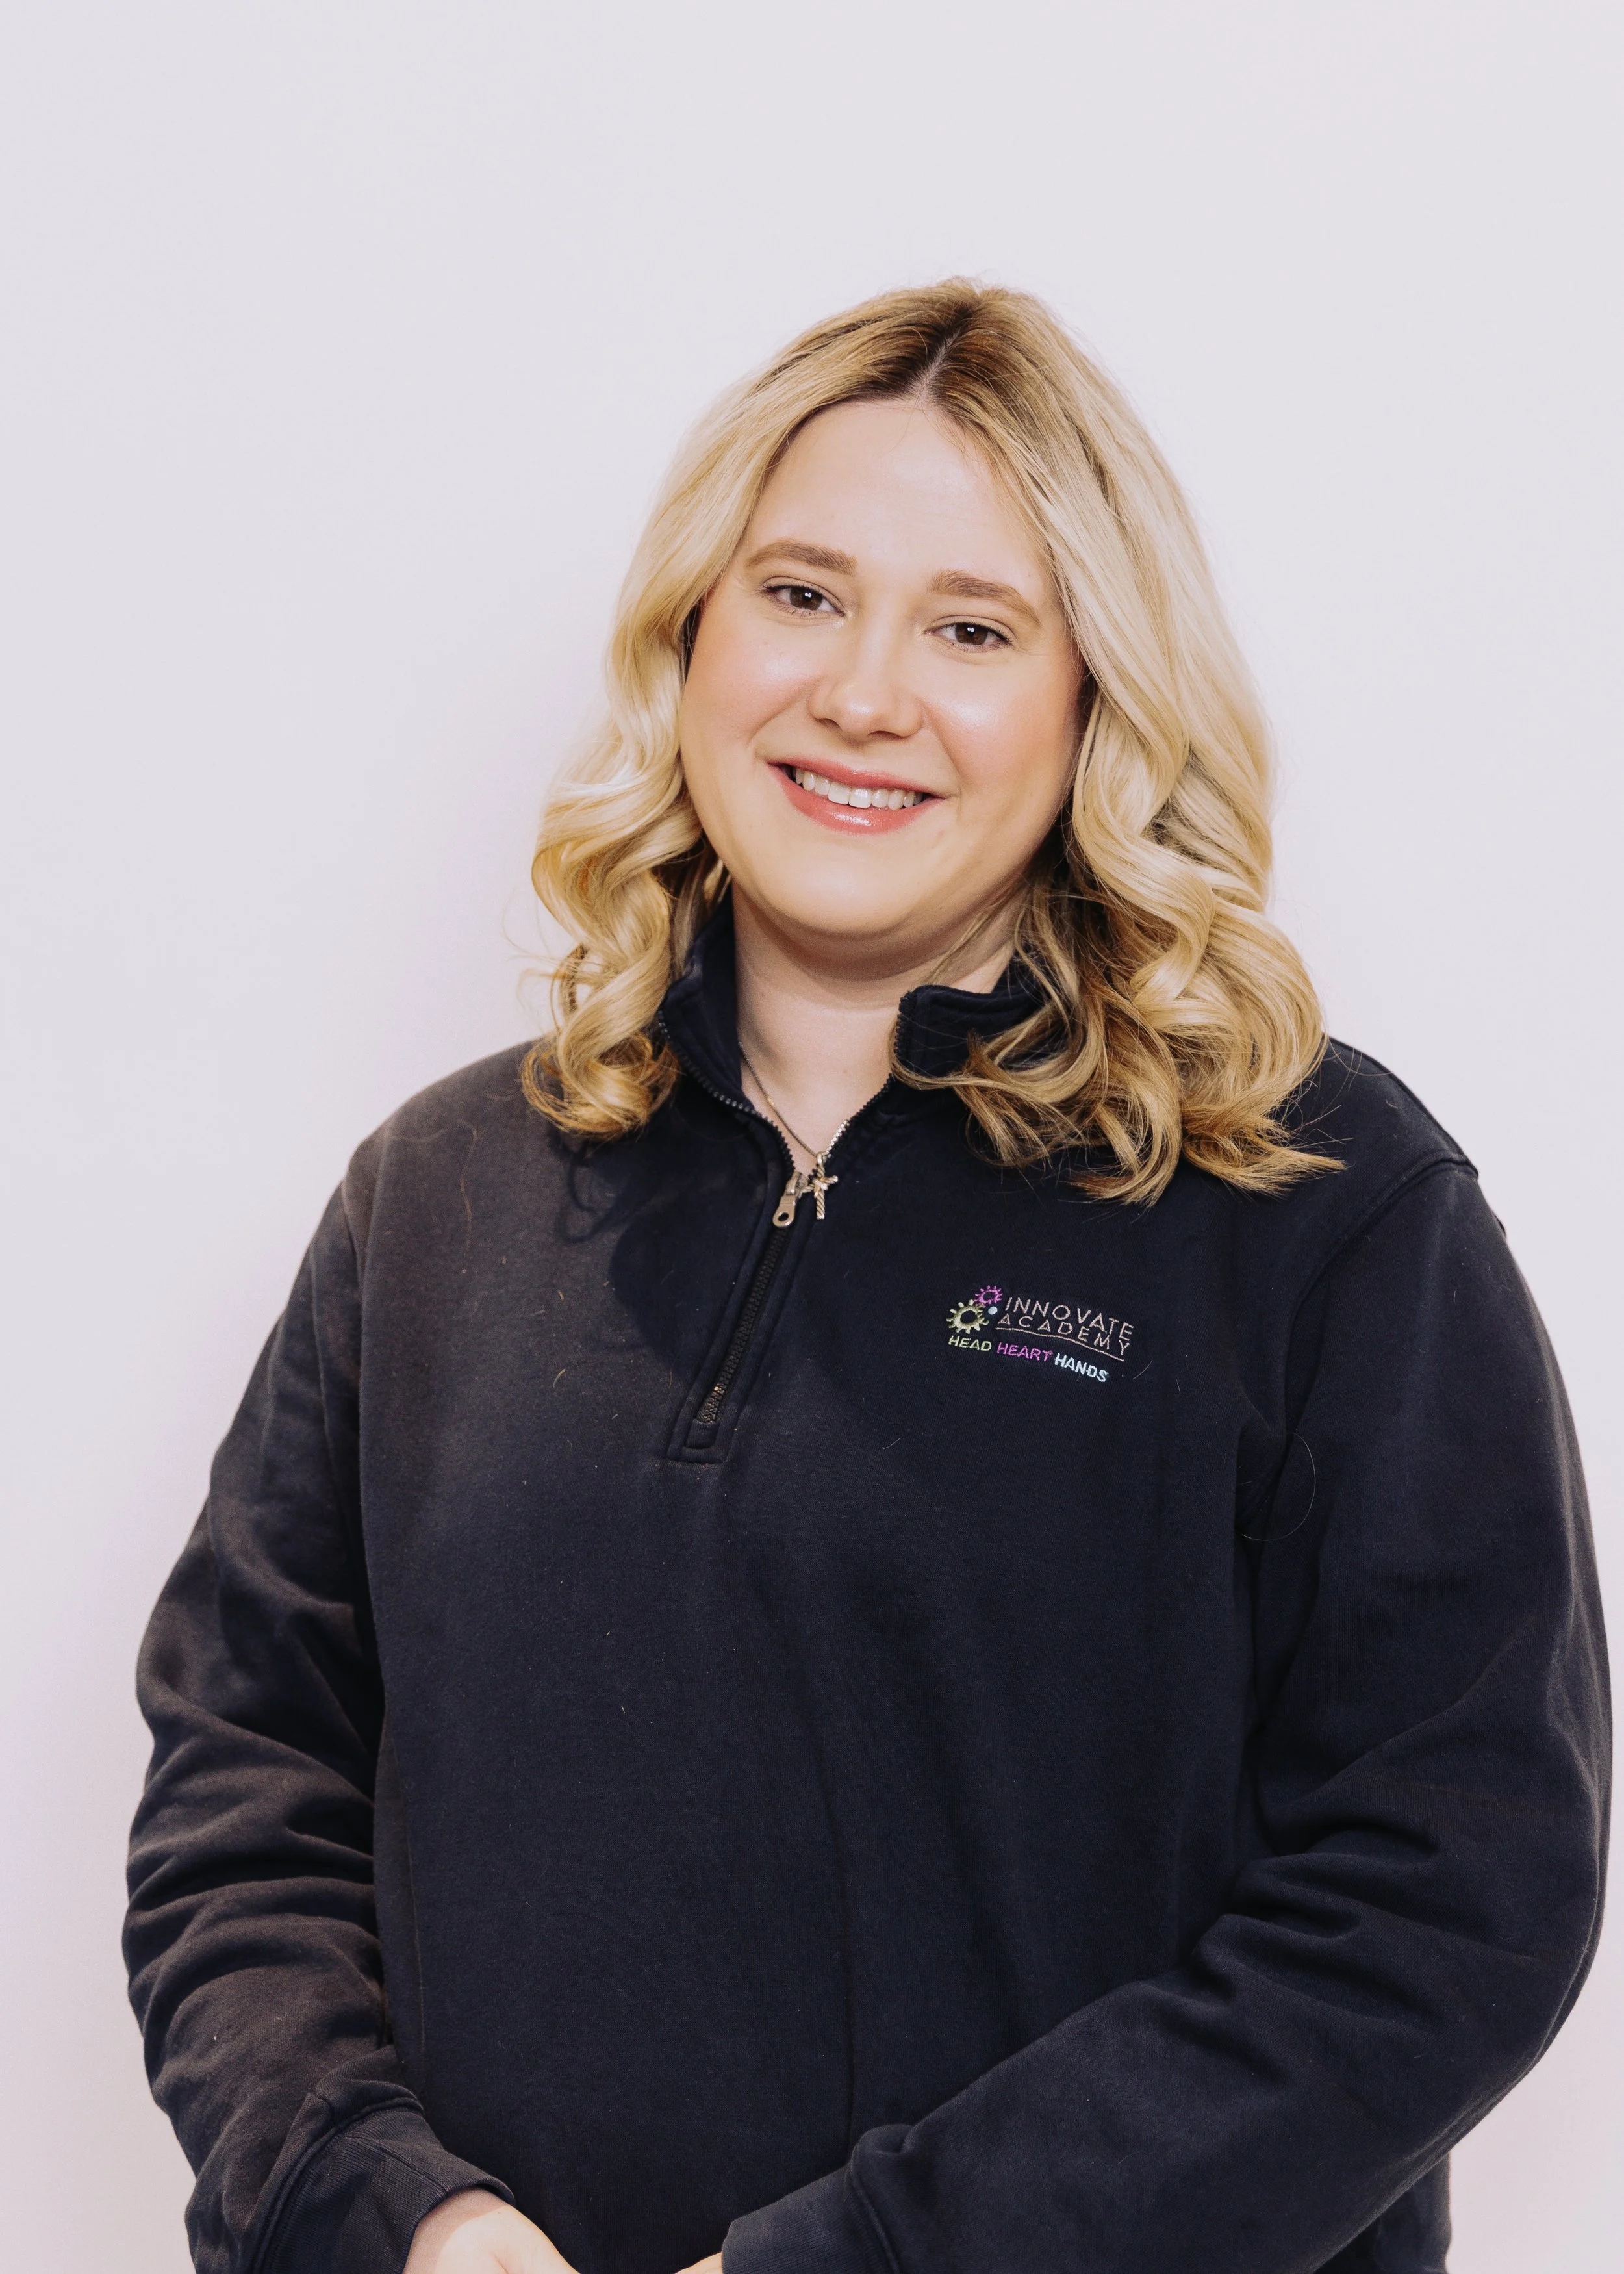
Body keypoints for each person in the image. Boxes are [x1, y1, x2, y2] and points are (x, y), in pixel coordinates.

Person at [125, 281, 1609, 2274]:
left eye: (973, 628)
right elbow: (248, 1784)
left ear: (1097, 697)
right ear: (690, 639)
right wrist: (397, 2213)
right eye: (801, 595)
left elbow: (1447, 1885)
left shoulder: (1317, 1207)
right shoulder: (441, 1201)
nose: (861, 692)